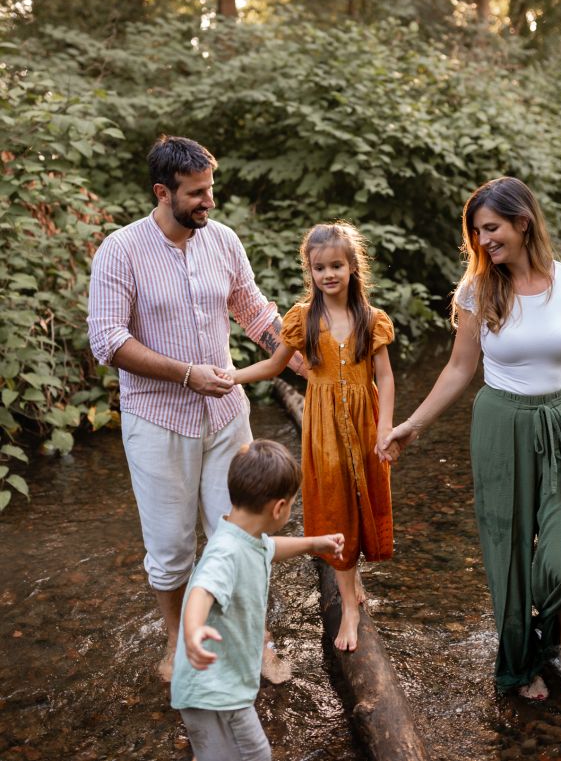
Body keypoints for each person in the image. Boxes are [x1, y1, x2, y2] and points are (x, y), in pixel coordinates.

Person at [381, 177, 561, 700]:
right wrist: (412, 424)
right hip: (501, 424)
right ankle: (521, 658)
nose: (483, 241)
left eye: (491, 228)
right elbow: (457, 369)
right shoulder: (477, 291)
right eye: (476, 232)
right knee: (509, 549)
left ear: (523, 222)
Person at [87, 134, 303, 682]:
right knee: (171, 547)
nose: (209, 201)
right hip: (158, 420)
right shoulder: (120, 250)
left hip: (227, 414)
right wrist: (184, 373)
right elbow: (107, 341)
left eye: (211, 189)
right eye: (197, 193)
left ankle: (253, 640)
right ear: (163, 192)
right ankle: (176, 642)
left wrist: (299, 355)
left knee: (241, 531)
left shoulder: (224, 240)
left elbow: (252, 309)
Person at [228, 222, 396, 653]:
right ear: (311, 271)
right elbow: (273, 366)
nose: (328, 274)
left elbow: (386, 377)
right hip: (322, 429)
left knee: (363, 499)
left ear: (353, 266)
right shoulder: (303, 318)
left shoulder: (371, 320)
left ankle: (354, 576)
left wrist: (385, 430)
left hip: (363, 425)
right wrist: (232, 376)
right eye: (319, 267)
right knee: (336, 503)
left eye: (336, 265)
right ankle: (349, 606)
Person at [171, 438, 344, 761]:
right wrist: (193, 630)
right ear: (279, 508)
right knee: (254, 755)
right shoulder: (226, 552)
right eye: (292, 503)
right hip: (214, 691)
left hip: (217, 683)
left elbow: (270, 548)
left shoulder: (242, 536)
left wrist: (313, 544)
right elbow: (201, 590)